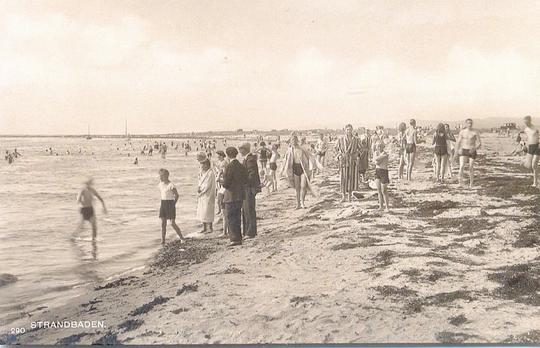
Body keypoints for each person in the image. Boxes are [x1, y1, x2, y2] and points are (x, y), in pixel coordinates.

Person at [222, 147, 248, 246]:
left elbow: (226, 183)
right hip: (240, 194)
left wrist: (221, 181)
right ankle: (238, 237)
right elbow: (246, 179)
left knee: (231, 217)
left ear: (228, 155)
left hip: (231, 195)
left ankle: (234, 239)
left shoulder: (229, 167)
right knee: (237, 216)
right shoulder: (241, 166)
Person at [281, 133, 314, 208]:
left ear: (297, 141)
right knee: (297, 188)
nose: (294, 141)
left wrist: (311, 166)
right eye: (292, 140)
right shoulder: (290, 150)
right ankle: (298, 204)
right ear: (291, 141)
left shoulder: (302, 149)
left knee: (303, 186)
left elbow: (309, 156)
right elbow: (285, 160)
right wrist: (283, 170)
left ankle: (302, 202)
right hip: (295, 169)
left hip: (303, 168)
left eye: (295, 140)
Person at [238, 142, 261, 239]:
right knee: (246, 209)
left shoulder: (250, 159)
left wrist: (244, 183)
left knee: (249, 209)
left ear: (245, 149)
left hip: (249, 188)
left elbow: (252, 175)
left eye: (240, 149)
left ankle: (250, 232)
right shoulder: (248, 159)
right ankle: (248, 231)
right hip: (248, 187)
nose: (239, 151)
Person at [158, 168, 184, 244]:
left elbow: (177, 195)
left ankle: (182, 238)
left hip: (170, 204)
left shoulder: (171, 185)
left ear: (167, 176)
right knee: (163, 223)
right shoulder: (160, 184)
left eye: (162, 176)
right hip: (163, 204)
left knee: (172, 223)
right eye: (160, 176)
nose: (160, 177)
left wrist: (173, 204)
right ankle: (163, 240)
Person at [335, 124, 360, 202]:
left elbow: (360, 149)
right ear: (345, 130)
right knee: (343, 178)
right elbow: (336, 148)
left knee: (351, 177)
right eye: (347, 129)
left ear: (352, 130)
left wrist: (357, 156)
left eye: (350, 129)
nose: (349, 131)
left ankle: (349, 196)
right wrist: (339, 155)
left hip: (352, 160)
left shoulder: (356, 139)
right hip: (343, 161)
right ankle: (343, 196)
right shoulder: (341, 139)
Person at [456, 118, 482, 188]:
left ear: (472, 124)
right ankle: (460, 183)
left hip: (472, 150)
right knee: (461, 167)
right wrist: (458, 150)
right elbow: (458, 142)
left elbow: (479, 143)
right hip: (464, 150)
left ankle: (471, 184)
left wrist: (475, 148)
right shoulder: (462, 132)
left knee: (471, 167)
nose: (469, 124)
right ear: (466, 124)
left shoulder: (475, 132)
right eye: (468, 123)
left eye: (471, 123)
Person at [196, 158, 216, 233]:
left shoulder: (210, 173)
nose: (201, 166)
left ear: (206, 165)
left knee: (208, 210)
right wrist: (198, 189)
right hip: (202, 194)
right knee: (202, 211)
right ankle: (204, 227)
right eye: (201, 164)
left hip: (208, 194)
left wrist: (201, 191)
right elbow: (199, 182)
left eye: (202, 164)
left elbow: (207, 185)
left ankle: (210, 228)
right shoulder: (202, 172)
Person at [373, 142, 390, 211]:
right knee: (379, 190)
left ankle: (387, 207)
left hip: (384, 171)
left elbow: (376, 160)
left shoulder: (385, 154)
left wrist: (376, 159)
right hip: (377, 171)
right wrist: (376, 159)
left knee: (384, 191)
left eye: (380, 146)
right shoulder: (376, 153)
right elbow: (376, 161)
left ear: (383, 147)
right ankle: (381, 206)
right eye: (378, 146)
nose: (379, 148)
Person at [523, 115, 539, 187]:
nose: (526, 124)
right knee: (529, 166)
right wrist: (524, 145)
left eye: (527, 122)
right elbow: (526, 138)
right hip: (530, 147)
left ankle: (535, 183)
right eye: (525, 123)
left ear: (530, 121)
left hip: (537, 146)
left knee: (534, 164)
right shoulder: (526, 129)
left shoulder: (536, 128)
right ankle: (537, 179)